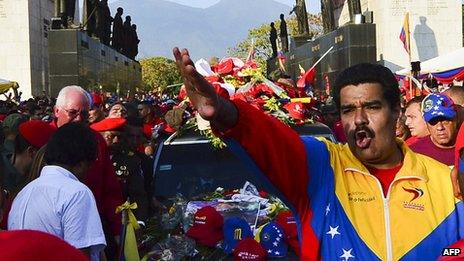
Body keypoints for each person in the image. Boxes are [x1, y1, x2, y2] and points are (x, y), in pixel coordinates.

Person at [173, 47, 464, 260]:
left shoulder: (446, 183)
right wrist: (223, 112)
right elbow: (269, 139)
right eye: (349, 110)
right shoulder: (321, 168)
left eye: (372, 107)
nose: (359, 119)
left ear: (397, 111)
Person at [8, 123, 106, 260]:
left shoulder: (24, 192)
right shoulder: (77, 193)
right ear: (81, 165)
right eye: (90, 165)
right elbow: (79, 255)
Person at [51, 85, 123, 258]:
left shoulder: (96, 141)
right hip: (52, 233)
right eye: (72, 112)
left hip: (92, 230)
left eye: (83, 114)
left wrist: (118, 230)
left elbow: (110, 191)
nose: (78, 119)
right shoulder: (42, 138)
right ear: (56, 111)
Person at [409, 93, 459, 166]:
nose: (440, 127)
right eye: (433, 122)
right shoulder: (414, 153)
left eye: (445, 120)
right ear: (426, 123)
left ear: (456, 119)